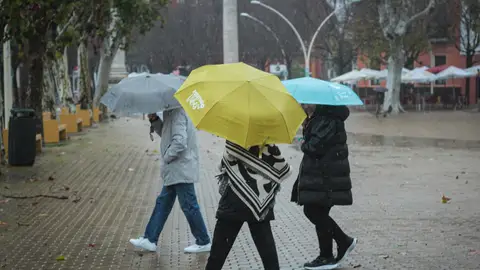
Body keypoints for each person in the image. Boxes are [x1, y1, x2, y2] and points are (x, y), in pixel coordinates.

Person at [129, 108, 211, 253]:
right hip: (176, 168)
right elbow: (167, 135)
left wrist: (167, 156)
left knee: (189, 205)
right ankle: (150, 239)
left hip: (181, 167)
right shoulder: (171, 111)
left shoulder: (177, 112)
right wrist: (155, 120)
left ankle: (203, 240)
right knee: (163, 203)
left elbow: (180, 141)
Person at [205, 141, 291, 270]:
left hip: (233, 201)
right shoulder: (269, 144)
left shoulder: (235, 138)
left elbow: (223, 166)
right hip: (260, 202)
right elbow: (280, 167)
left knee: (218, 254)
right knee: (268, 255)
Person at [291, 104, 357, 270]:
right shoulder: (321, 118)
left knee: (313, 211)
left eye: (306, 102)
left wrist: (304, 142)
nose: (303, 105)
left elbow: (315, 147)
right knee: (319, 213)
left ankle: (343, 242)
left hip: (326, 177)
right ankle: (326, 256)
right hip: (322, 176)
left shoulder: (326, 120)